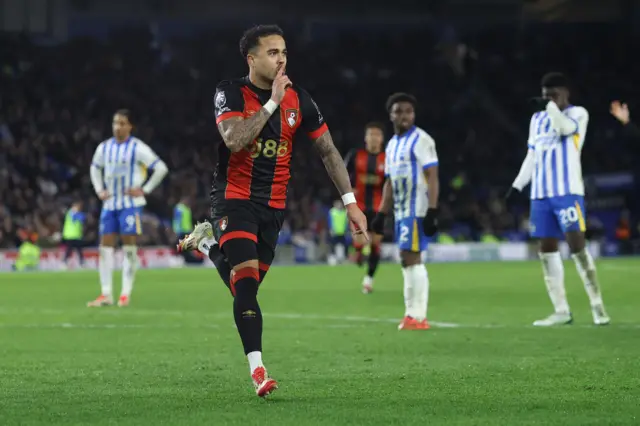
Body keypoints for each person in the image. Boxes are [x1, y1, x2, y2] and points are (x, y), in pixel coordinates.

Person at [177, 24, 368, 397]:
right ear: (252, 59)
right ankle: (259, 370)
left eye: (283, 52)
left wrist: (352, 204)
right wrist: (271, 103)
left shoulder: (301, 100)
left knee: (242, 285)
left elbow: (328, 151)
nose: (280, 59)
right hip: (234, 199)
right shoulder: (230, 92)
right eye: (271, 52)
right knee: (246, 285)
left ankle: (205, 246)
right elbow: (234, 140)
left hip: (274, 206)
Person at [507, 72, 609, 326]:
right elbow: (532, 155)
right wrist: (517, 186)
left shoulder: (578, 114)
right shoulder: (537, 119)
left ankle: (597, 306)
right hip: (540, 195)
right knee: (546, 250)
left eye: (554, 95)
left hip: (567, 192)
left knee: (577, 247)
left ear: (566, 94)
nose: (549, 100)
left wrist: (551, 107)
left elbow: (565, 130)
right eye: (545, 96)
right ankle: (561, 310)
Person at [371, 93, 440, 331]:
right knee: (405, 258)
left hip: (417, 208)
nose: (404, 116)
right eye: (399, 111)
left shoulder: (422, 140)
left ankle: (418, 316)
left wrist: (432, 210)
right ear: (391, 115)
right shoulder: (391, 145)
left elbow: (432, 176)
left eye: (408, 111)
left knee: (412, 256)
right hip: (400, 211)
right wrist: (382, 213)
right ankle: (412, 314)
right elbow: (389, 182)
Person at [89, 109, 169, 307]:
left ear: (130, 126)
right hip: (110, 204)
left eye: (122, 123)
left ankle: (125, 293)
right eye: (115, 123)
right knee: (105, 247)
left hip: (130, 205)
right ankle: (106, 294)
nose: (118, 127)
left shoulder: (137, 147)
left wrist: (145, 189)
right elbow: (94, 168)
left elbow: (161, 168)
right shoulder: (104, 147)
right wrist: (99, 190)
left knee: (129, 247)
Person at [344, 122, 386, 293]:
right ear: (365, 137)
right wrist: (348, 192)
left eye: (377, 135)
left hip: (379, 207)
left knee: (376, 245)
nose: (374, 138)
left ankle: (368, 281)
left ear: (381, 139)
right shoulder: (356, 155)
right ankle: (359, 252)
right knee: (360, 242)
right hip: (358, 206)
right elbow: (343, 174)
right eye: (371, 135)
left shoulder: (387, 158)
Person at [62, 201, 86, 269]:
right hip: (70, 235)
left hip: (76, 235)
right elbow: (79, 218)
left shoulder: (77, 213)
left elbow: (82, 219)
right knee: (69, 249)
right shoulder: (71, 213)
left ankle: (81, 263)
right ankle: (64, 262)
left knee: (79, 249)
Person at [327, 199, 348, 265]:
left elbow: (346, 222)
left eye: (340, 204)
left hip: (342, 232)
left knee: (344, 245)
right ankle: (332, 258)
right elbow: (330, 221)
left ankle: (343, 258)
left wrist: (346, 229)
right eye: (338, 204)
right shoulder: (332, 212)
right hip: (335, 232)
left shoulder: (344, 212)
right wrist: (331, 229)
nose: (339, 205)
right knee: (333, 245)